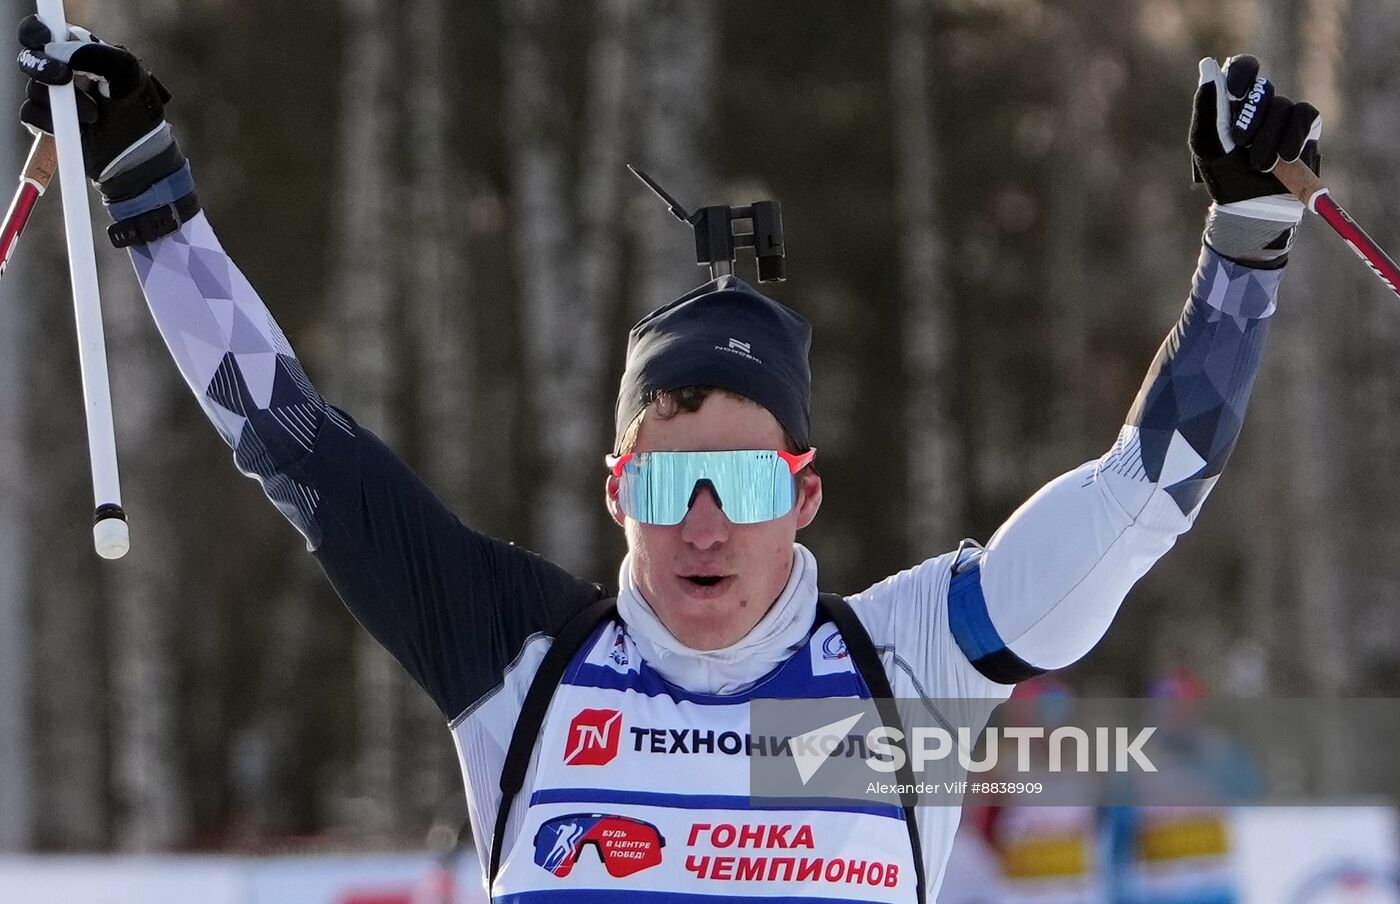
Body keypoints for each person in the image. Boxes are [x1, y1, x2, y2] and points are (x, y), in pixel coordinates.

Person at [15, 17, 1323, 903]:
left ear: (804, 496)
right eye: (666, 483)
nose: (704, 525)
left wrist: (1247, 235)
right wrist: (142, 187)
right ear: (614, 494)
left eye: (745, 485)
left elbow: (1144, 492)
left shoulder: (908, 669)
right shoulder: (518, 660)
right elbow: (292, 441)